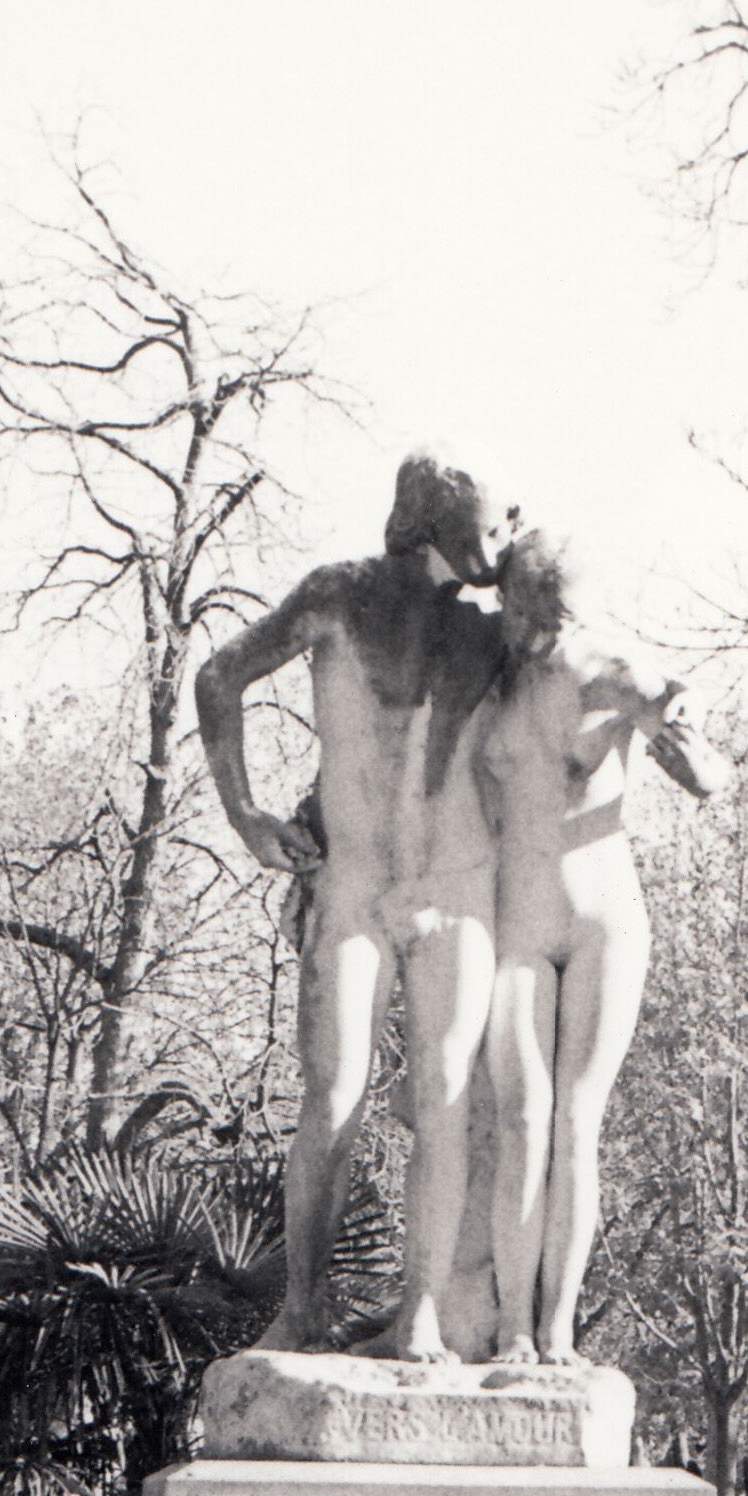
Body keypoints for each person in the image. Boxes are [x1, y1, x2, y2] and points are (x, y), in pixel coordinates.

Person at [193, 455, 513, 1357]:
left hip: (455, 885)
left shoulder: (490, 633)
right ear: (432, 517)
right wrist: (247, 816)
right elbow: (219, 676)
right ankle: (302, 1307)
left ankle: (419, 1316)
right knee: (334, 1094)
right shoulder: (339, 592)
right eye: (488, 521)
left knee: (446, 1097)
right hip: (357, 883)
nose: (502, 536)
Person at [475, 526, 716, 1364]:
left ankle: (556, 1330)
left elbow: (709, 769)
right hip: (515, 920)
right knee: (522, 1119)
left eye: (560, 618)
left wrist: (686, 748)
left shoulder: (615, 668)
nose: (546, 635)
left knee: (577, 1120)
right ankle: (511, 1328)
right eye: (534, 616)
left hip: (604, 917)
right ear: (511, 602)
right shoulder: (489, 679)